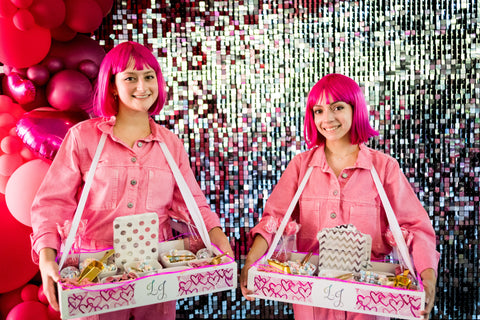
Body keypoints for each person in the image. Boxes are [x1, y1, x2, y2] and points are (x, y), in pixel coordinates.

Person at [30, 41, 233, 320]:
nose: (142, 86)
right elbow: (52, 203)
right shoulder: (83, 137)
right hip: (94, 271)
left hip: (156, 268)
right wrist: (46, 257)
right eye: (130, 78)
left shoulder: (170, 144)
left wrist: (219, 238)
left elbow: (192, 201)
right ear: (112, 85)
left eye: (149, 77)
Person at [240, 73, 439, 319]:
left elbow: (417, 229)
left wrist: (428, 279)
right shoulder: (301, 166)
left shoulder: (384, 168)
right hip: (310, 298)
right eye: (319, 110)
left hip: (370, 299)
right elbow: (273, 221)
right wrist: (251, 264)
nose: (328, 118)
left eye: (338, 107)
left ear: (356, 110)